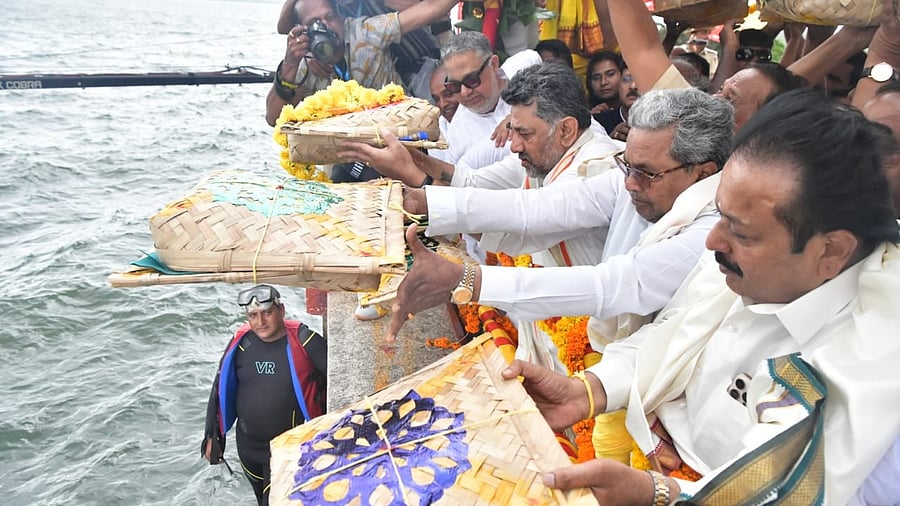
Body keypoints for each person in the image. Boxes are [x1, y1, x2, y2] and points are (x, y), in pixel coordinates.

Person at [499, 89, 900, 504]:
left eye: (741, 232)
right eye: (720, 214)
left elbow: (782, 488)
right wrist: (589, 390)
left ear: (830, 251)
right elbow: (675, 331)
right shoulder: (739, 264)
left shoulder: (872, 361)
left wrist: (666, 495)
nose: (713, 240)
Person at [385, 87, 732, 346]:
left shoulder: (714, 227)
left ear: (703, 174)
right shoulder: (632, 177)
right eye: (627, 165)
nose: (629, 182)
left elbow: (615, 284)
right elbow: (537, 208)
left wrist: (468, 281)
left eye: (645, 173)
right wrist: (424, 203)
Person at [202, 284, 327, 506]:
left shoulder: (305, 341)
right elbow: (219, 387)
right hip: (248, 449)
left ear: (282, 310)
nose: (260, 322)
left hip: (286, 449)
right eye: (253, 315)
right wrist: (212, 437)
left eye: (267, 313)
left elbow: (338, 377)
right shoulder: (241, 344)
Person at [264, 0, 458, 127]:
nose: (325, 26)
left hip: (401, 121)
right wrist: (290, 64)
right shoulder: (306, 60)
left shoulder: (365, 32)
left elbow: (432, 8)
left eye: (330, 18)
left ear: (340, 16)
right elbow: (274, 119)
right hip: (349, 146)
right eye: (316, 23)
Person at [594, 66, 640, 139]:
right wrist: (611, 141)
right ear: (618, 85)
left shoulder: (662, 124)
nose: (633, 86)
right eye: (626, 80)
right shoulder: (597, 123)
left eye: (641, 80)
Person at [586, 50, 625, 116]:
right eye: (596, 78)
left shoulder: (638, 107)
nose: (603, 82)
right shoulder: (588, 113)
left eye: (610, 74)